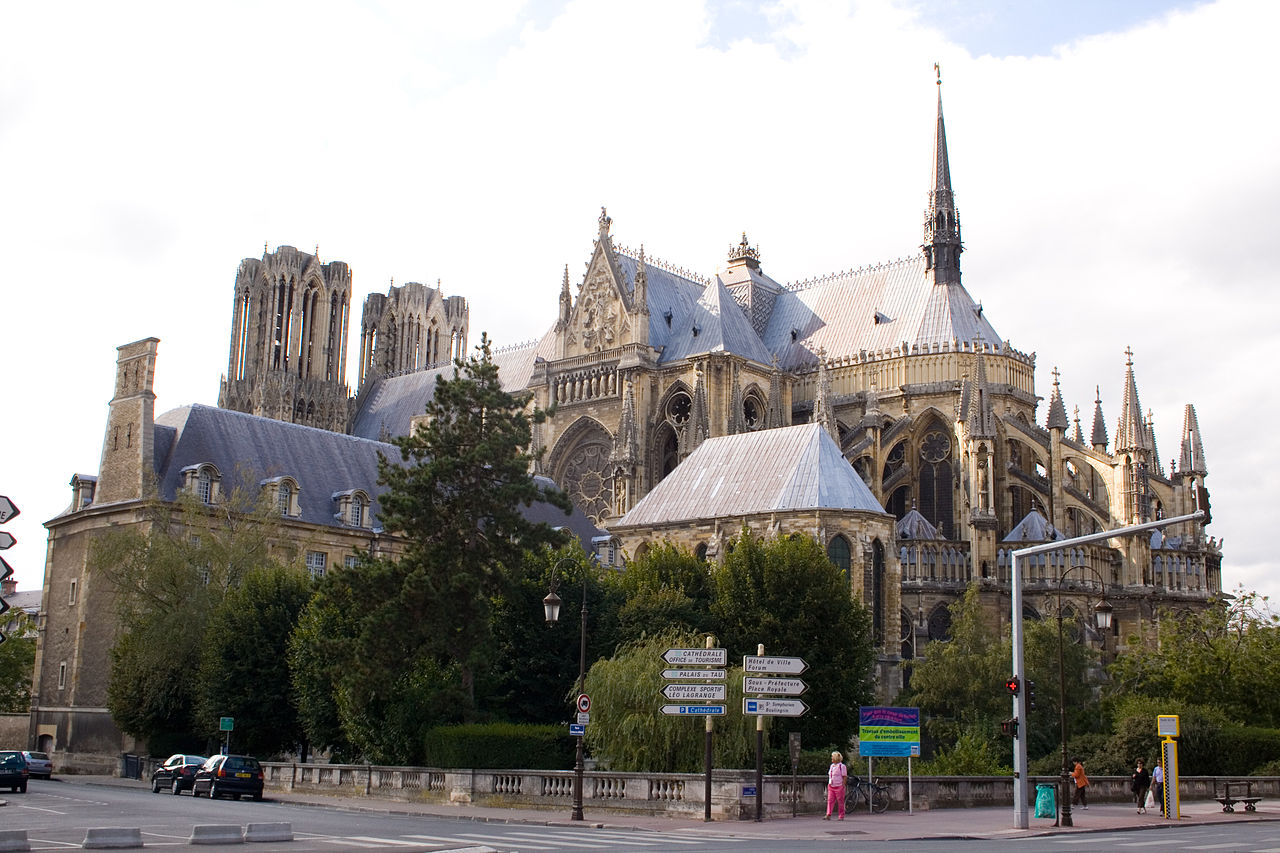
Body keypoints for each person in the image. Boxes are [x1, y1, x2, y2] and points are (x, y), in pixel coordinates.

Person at [825, 750, 848, 820]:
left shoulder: (842, 766)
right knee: (830, 800)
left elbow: (844, 776)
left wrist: (843, 785)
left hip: (839, 786)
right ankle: (828, 814)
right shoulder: (832, 766)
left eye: (832, 757)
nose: (831, 758)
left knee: (840, 801)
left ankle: (841, 815)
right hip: (831, 785)